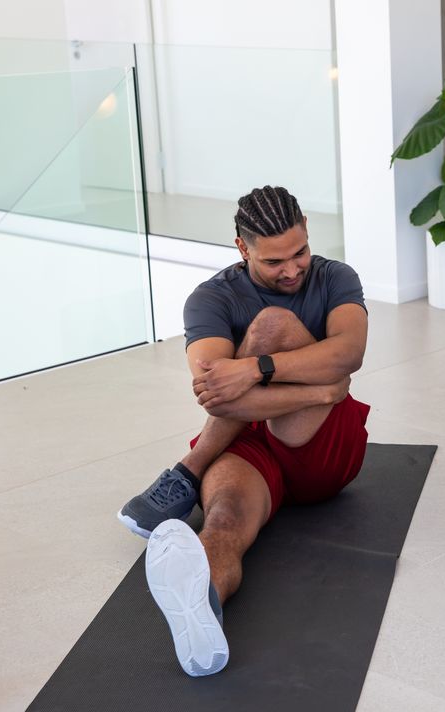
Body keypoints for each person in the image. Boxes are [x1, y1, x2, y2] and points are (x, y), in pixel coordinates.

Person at [117, 186, 370, 675]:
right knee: (223, 521)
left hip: (321, 446)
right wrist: (319, 390)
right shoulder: (210, 299)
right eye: (275, 261)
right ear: (242, 248)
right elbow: (215, 394)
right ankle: (202, 606)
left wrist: (256, 367)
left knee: (272, 324)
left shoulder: (336, 278)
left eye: (300, 252)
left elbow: (349, 354)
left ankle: (188, 471)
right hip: (252, 441)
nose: (293, 269)